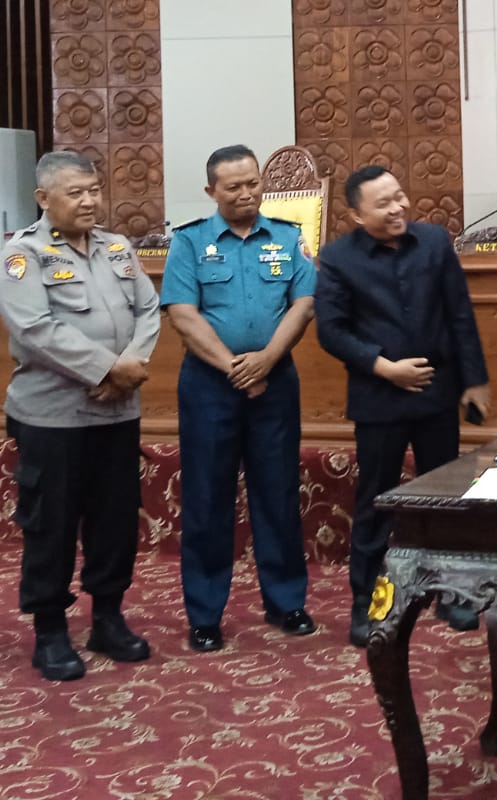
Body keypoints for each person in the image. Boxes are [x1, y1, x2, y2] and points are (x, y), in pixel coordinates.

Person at [0, 151, 160, 681]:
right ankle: (50, 630)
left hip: (117, 412)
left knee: (115, 520)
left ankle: (108, 617)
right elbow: (34, 329)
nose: (89, 201)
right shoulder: (23, 255)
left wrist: (130, 367)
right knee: (52, 523)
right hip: (54, 415)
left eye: (93, 190)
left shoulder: (117, 247)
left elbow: (148, 310)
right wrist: (106, 368)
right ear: (43, 198)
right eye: (75, 193)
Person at [314, 166, 491, 647]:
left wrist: (475, 381)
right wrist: (383, 367)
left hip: (436, 392)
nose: (398, 208)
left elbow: (460, 313)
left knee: (445, 498)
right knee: (376, 501)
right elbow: (331, 331)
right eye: (383, 203)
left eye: (399, 196)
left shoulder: (434, 242)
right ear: (357, 215)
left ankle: (451, 593)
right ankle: (367, 601)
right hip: (379, 398)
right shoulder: (338, 258)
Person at [162, 146, 316, 652]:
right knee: (207, 499)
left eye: (253, 183)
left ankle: (287, 602)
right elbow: (182, 314)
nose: (246, 193)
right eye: (234, 186)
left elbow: (303, 304)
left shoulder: (289, 237)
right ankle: (205, 614)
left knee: (278, 493)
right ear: (211, 191)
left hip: (276, 380)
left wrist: (266, 360)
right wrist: (237, 369)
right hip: (210, 385)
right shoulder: (189, 241)